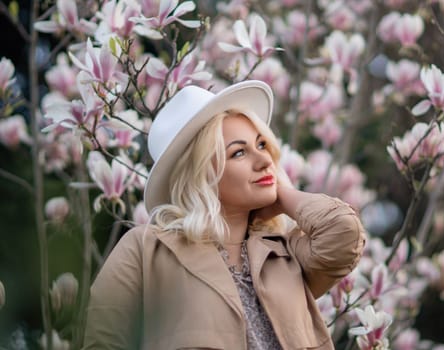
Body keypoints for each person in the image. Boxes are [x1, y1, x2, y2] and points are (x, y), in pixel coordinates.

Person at [82, 80, 366, 350]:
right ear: (201, 174)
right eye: (239, 153)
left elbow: (344, 234)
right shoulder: (145, 250)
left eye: (262, 145)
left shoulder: (286, 254)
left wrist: (282, 196)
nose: (265, 160)